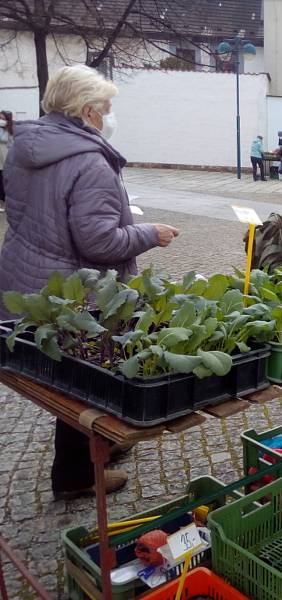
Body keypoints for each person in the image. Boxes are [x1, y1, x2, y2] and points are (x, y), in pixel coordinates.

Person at [0, 65, 180, 500]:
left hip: (29, 280)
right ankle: (77, 476)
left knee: (71, 373)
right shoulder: (89, 161)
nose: (111, 116)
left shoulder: (26, 146)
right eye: (107, 108)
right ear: (87, 110)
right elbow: (99, 241)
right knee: (84, 375)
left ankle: (98, 450)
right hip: (74, 293)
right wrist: (151, 234)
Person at [0, 110, 12, 212]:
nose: (1, 120)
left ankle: (5, 203)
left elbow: (4, 139)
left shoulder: (10, 128)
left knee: (5, 182)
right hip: (0, 159)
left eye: (3, 118)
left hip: (6, 159)